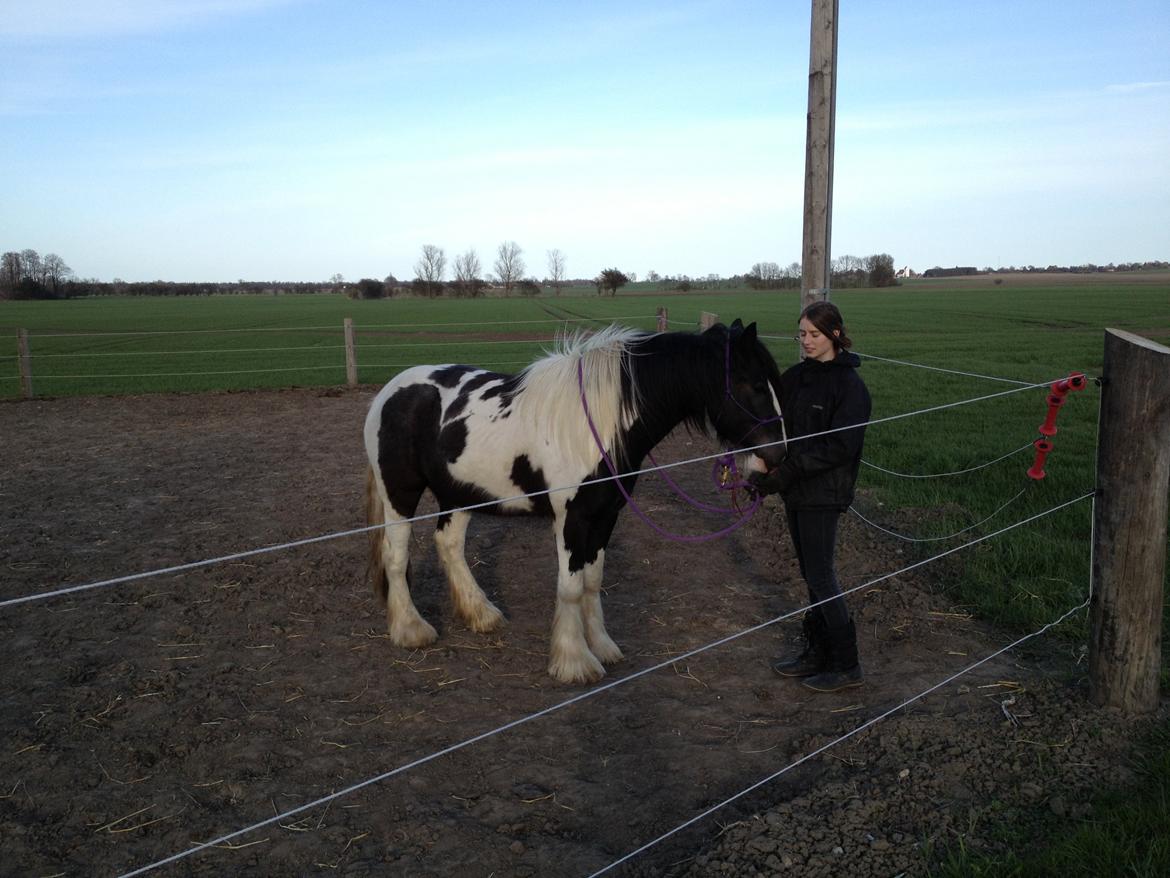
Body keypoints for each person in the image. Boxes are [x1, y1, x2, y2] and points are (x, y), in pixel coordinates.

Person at [750, 301, 871, 693]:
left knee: (821, 574)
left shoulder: (850, 388)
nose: (806, 341)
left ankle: (846, 663)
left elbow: (840, 447)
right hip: (795, 489)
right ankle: (817, 652)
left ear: (835, 334)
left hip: (824, 491)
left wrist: (787, 472)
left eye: (814, 334)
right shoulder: (796, 378)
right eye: (801, 334)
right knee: (810, 575)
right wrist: (764, 466)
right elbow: (774, 425)